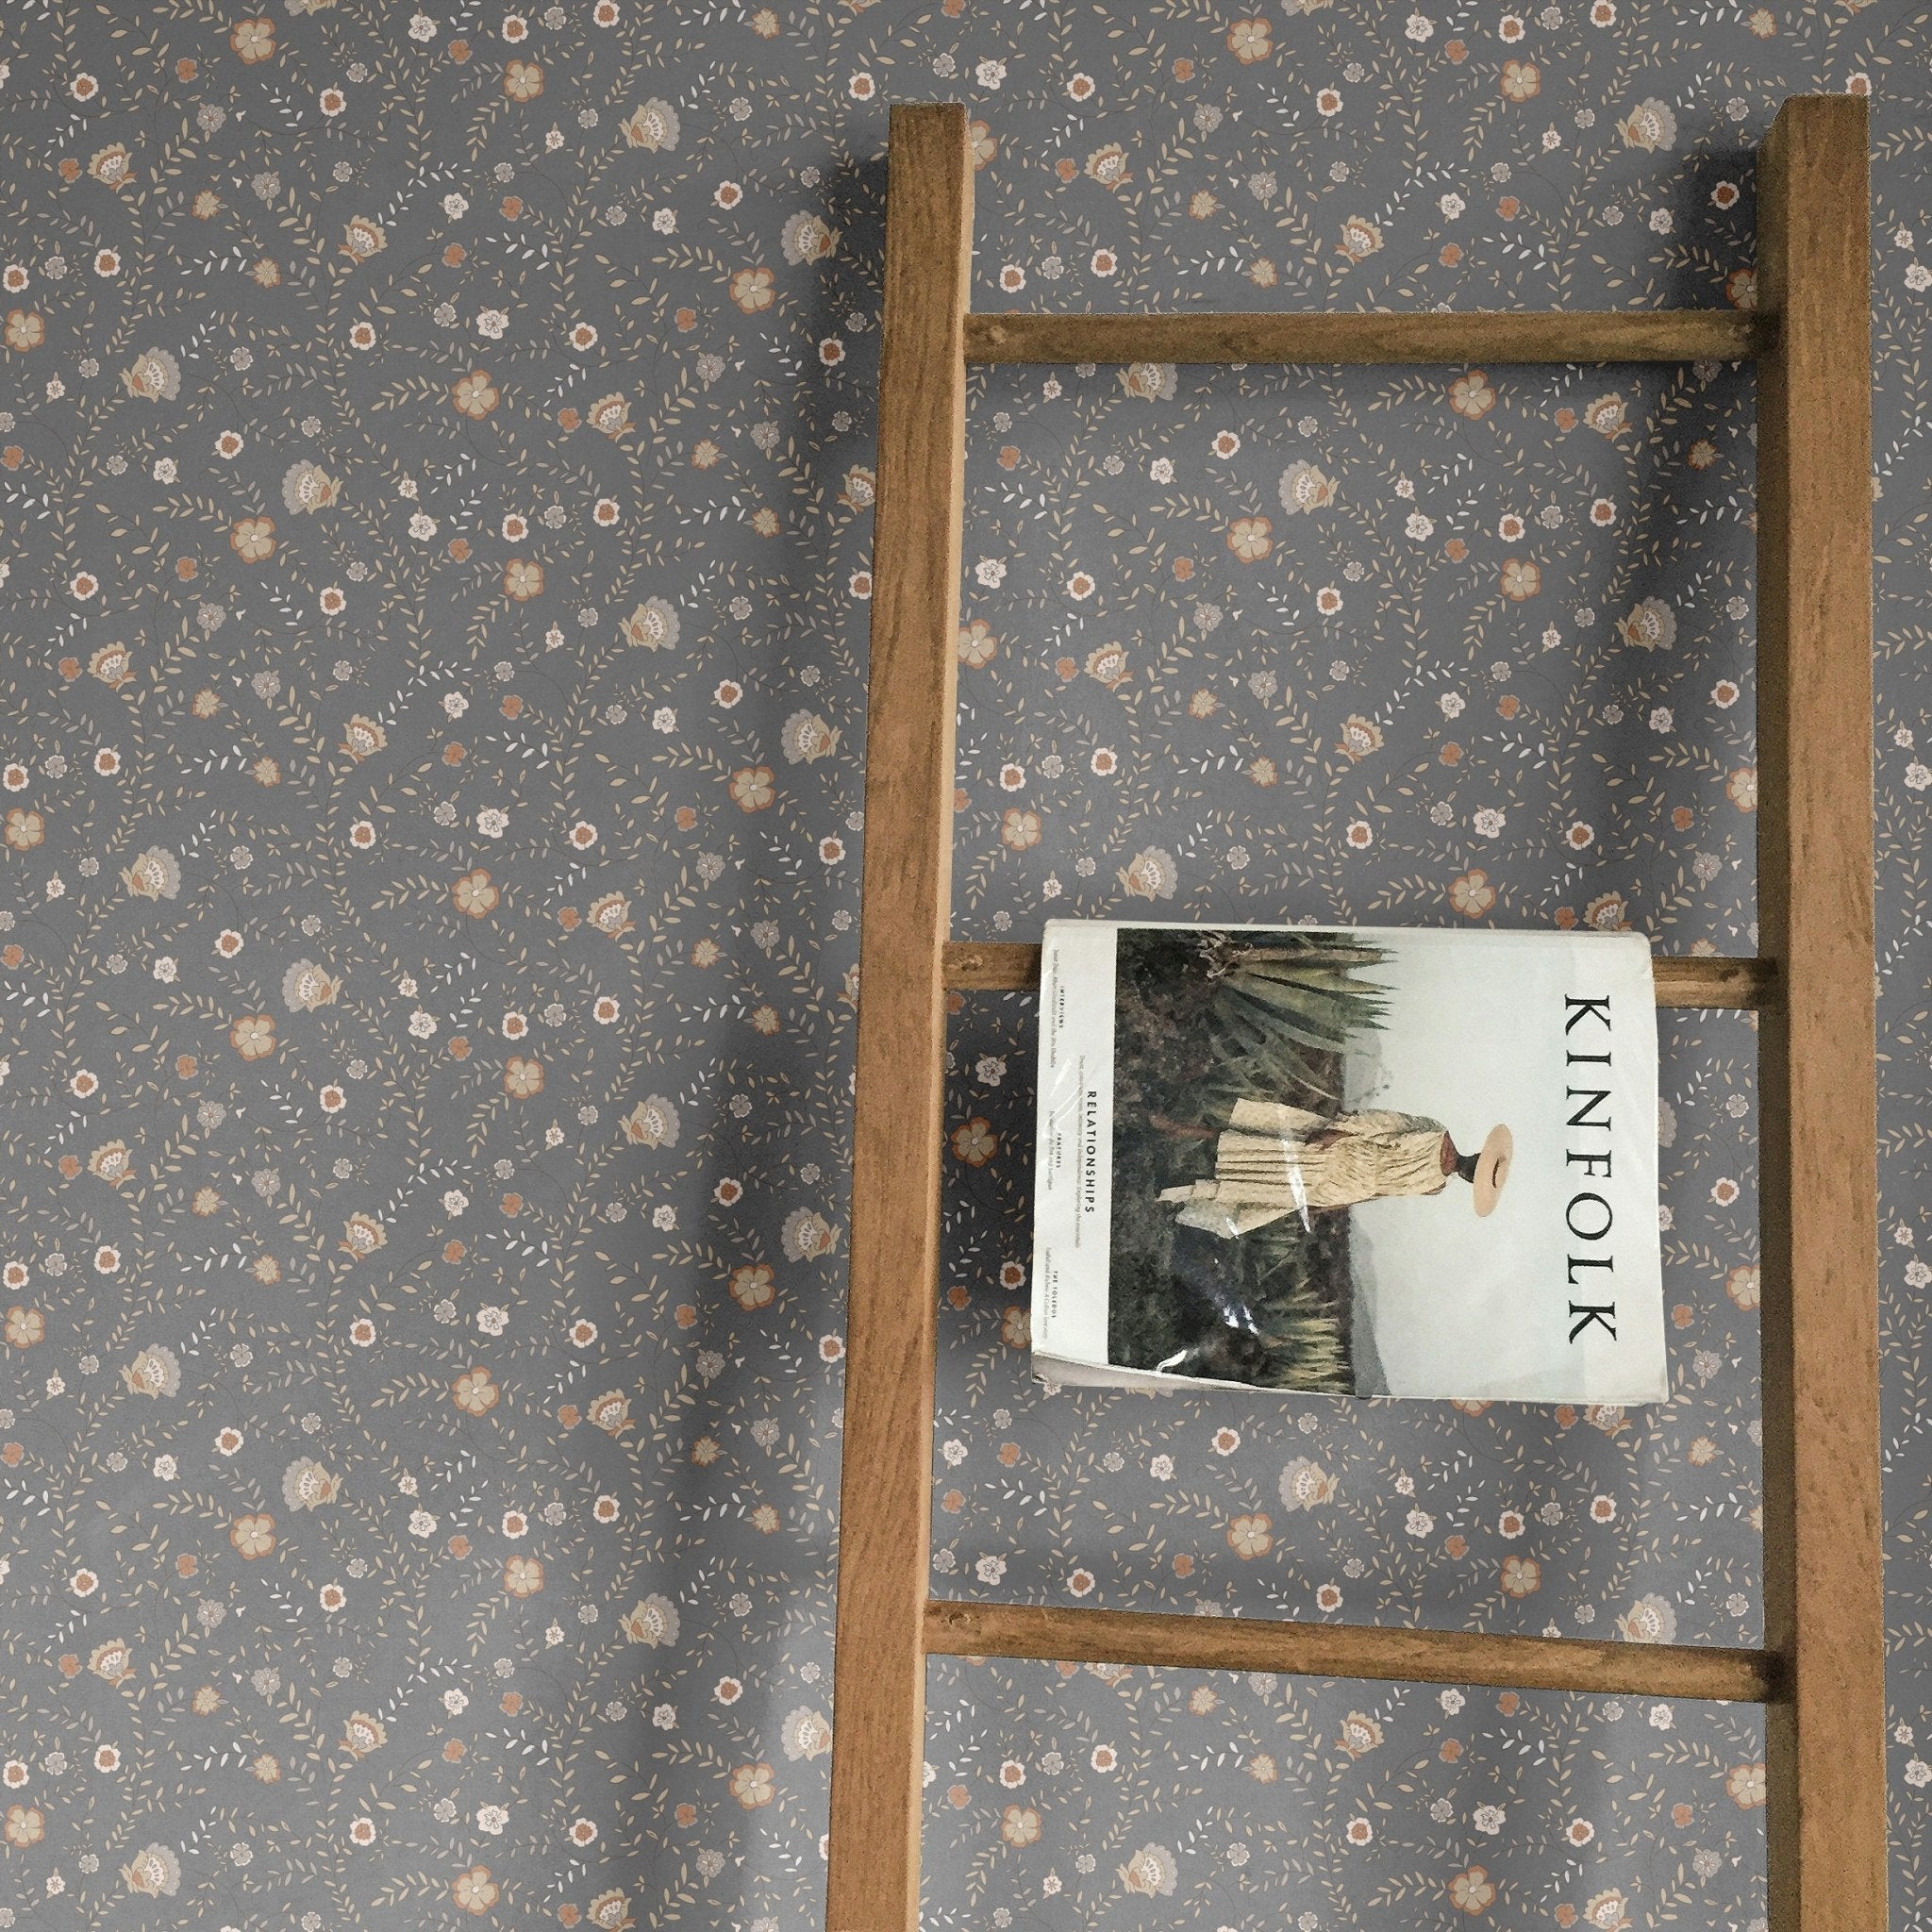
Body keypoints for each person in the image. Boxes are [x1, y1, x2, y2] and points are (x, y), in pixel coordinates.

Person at [1155, 1100, 1511, 1238]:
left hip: (1344, 1188)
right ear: (1476, 1156)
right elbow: (1379, 1122)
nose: (1468, 1173)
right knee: (1259, 1147)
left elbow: (1380, 1193)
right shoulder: (1436, 1132)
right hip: (1343, 1154)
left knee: (1263, 1189)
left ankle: (1177, 1191)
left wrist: (1336, 1206)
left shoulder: (1436, 1186)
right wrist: (1336, 1132)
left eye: (1473, 1178)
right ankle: (1179, 1131)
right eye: (1475, 1168)